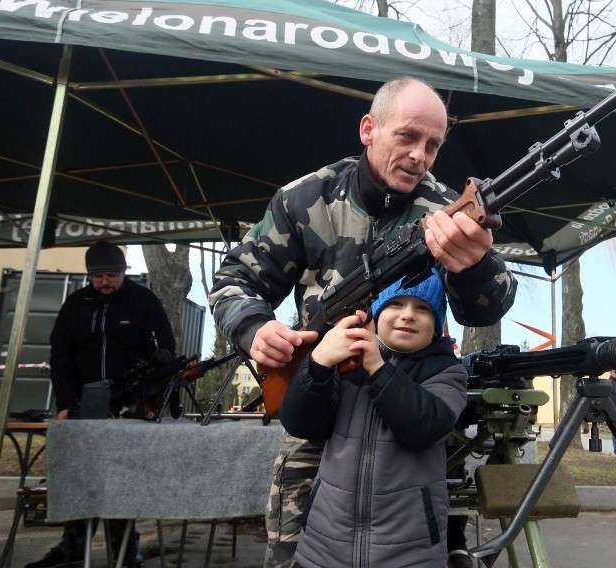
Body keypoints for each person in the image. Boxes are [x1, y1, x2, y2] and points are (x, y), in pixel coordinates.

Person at [209, 76, 516, 568]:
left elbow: (488, 306)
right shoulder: (306, 198)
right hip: (317, 395)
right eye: (408, 136)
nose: (421, 156)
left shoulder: (443, 211)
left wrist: (475, 265)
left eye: (433, 145)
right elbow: (235, 279)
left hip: (408, 410)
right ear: (368, 129)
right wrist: (254, 329)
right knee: (293, 552)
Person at [279, 270, 468, 567]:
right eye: (396, 305)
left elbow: (428, 426)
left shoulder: (447, 372)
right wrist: (317, 364)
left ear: (437, 327)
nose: (408, 315)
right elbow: (300, 424)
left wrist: (379, 370)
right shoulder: (346, 363)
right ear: (376, 314)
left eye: (422, 308)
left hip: (409, 554)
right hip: (324, 548)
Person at [25, 241, 175, 568]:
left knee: (120, 478)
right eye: (97, 276)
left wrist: (152, 400)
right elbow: (61, 355)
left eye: (110, 275)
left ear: (123, 273)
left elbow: (165, 355)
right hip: (83, 408)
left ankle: (124, 549)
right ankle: (73, 546)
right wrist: (65, 403)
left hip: (129, 411)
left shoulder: (144, 301)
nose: (104, 281)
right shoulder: (76, 304)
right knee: (78, 475)